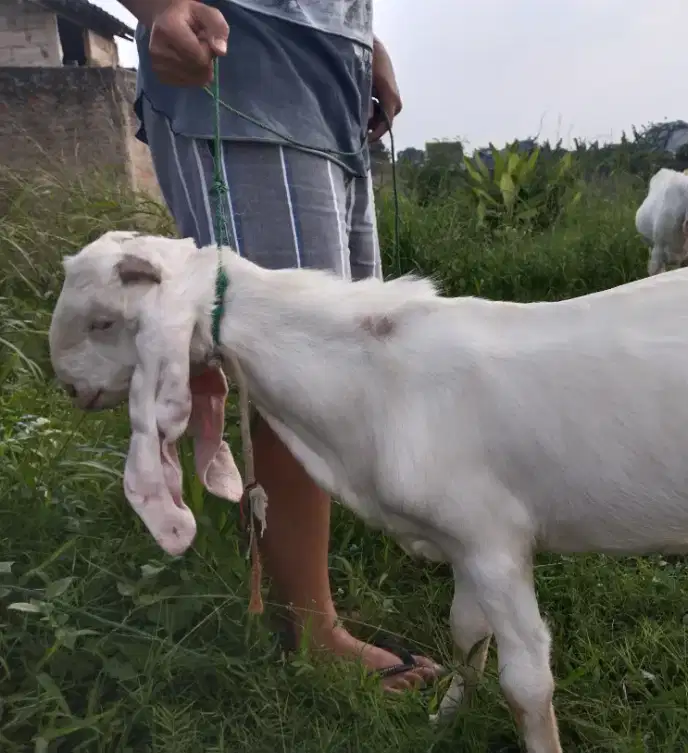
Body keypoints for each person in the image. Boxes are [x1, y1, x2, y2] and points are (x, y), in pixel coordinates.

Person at [119, 0, 441, 691]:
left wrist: (363, 41)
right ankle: (309, 631)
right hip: (241, 66)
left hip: (330, 79)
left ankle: (283, 579)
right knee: (296, 367)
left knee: (344, 347)